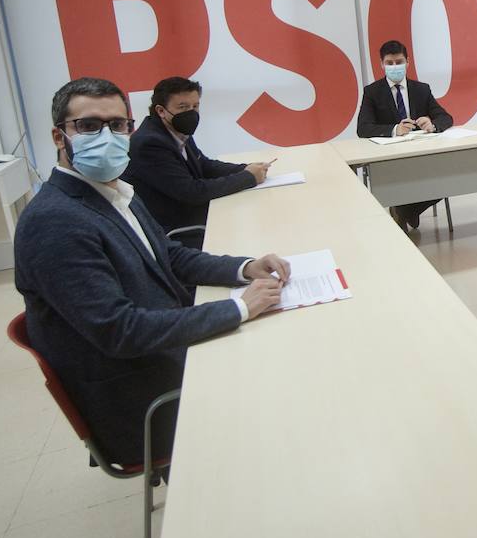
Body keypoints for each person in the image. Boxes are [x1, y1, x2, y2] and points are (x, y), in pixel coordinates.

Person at [15, 77, 289, 467]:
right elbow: (120, 330)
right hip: (142, 396)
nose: (107, 136)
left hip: (157, 353)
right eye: (90, 126)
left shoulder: (112, 191)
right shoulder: (55, 222)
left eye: (118, 125)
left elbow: (169, 256)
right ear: (60, 137)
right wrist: (239, 309)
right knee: (283, 383)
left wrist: (244, 267)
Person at [123, 76, 271, 250]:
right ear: (161, 111)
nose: (191, 113)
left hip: (193, 213)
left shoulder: (175, 128)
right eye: (183, 107)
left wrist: (246, 168)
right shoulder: (150, 143)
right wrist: (248, 178)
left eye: (195, 106)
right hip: (176, 229)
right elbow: (191, 192)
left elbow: (204, 165)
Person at [355, 40, 454, 231]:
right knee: (399, 179)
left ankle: (407, 210)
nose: (395, 67)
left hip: (422, 154)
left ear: (408, 62)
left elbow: (446, 117)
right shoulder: (372, 92)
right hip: (390, 158)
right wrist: (394, 129)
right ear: (381, 64)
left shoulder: (421, 89)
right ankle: (405, 209)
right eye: (390, 63)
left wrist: (432, 124)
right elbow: (363, 128)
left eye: (399, 62)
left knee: (447, 175)